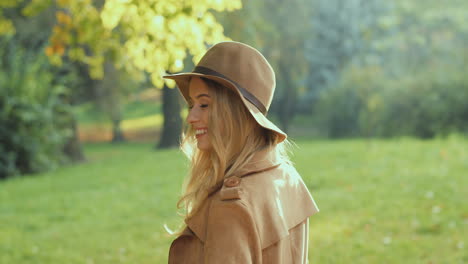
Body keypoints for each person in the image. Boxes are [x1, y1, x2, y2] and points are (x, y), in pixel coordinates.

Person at [164, 41, 319, 264]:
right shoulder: (284, 177)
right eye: (191, 104)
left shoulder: (231, 207)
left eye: (204, 105)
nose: (191, 118)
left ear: (236, 112)